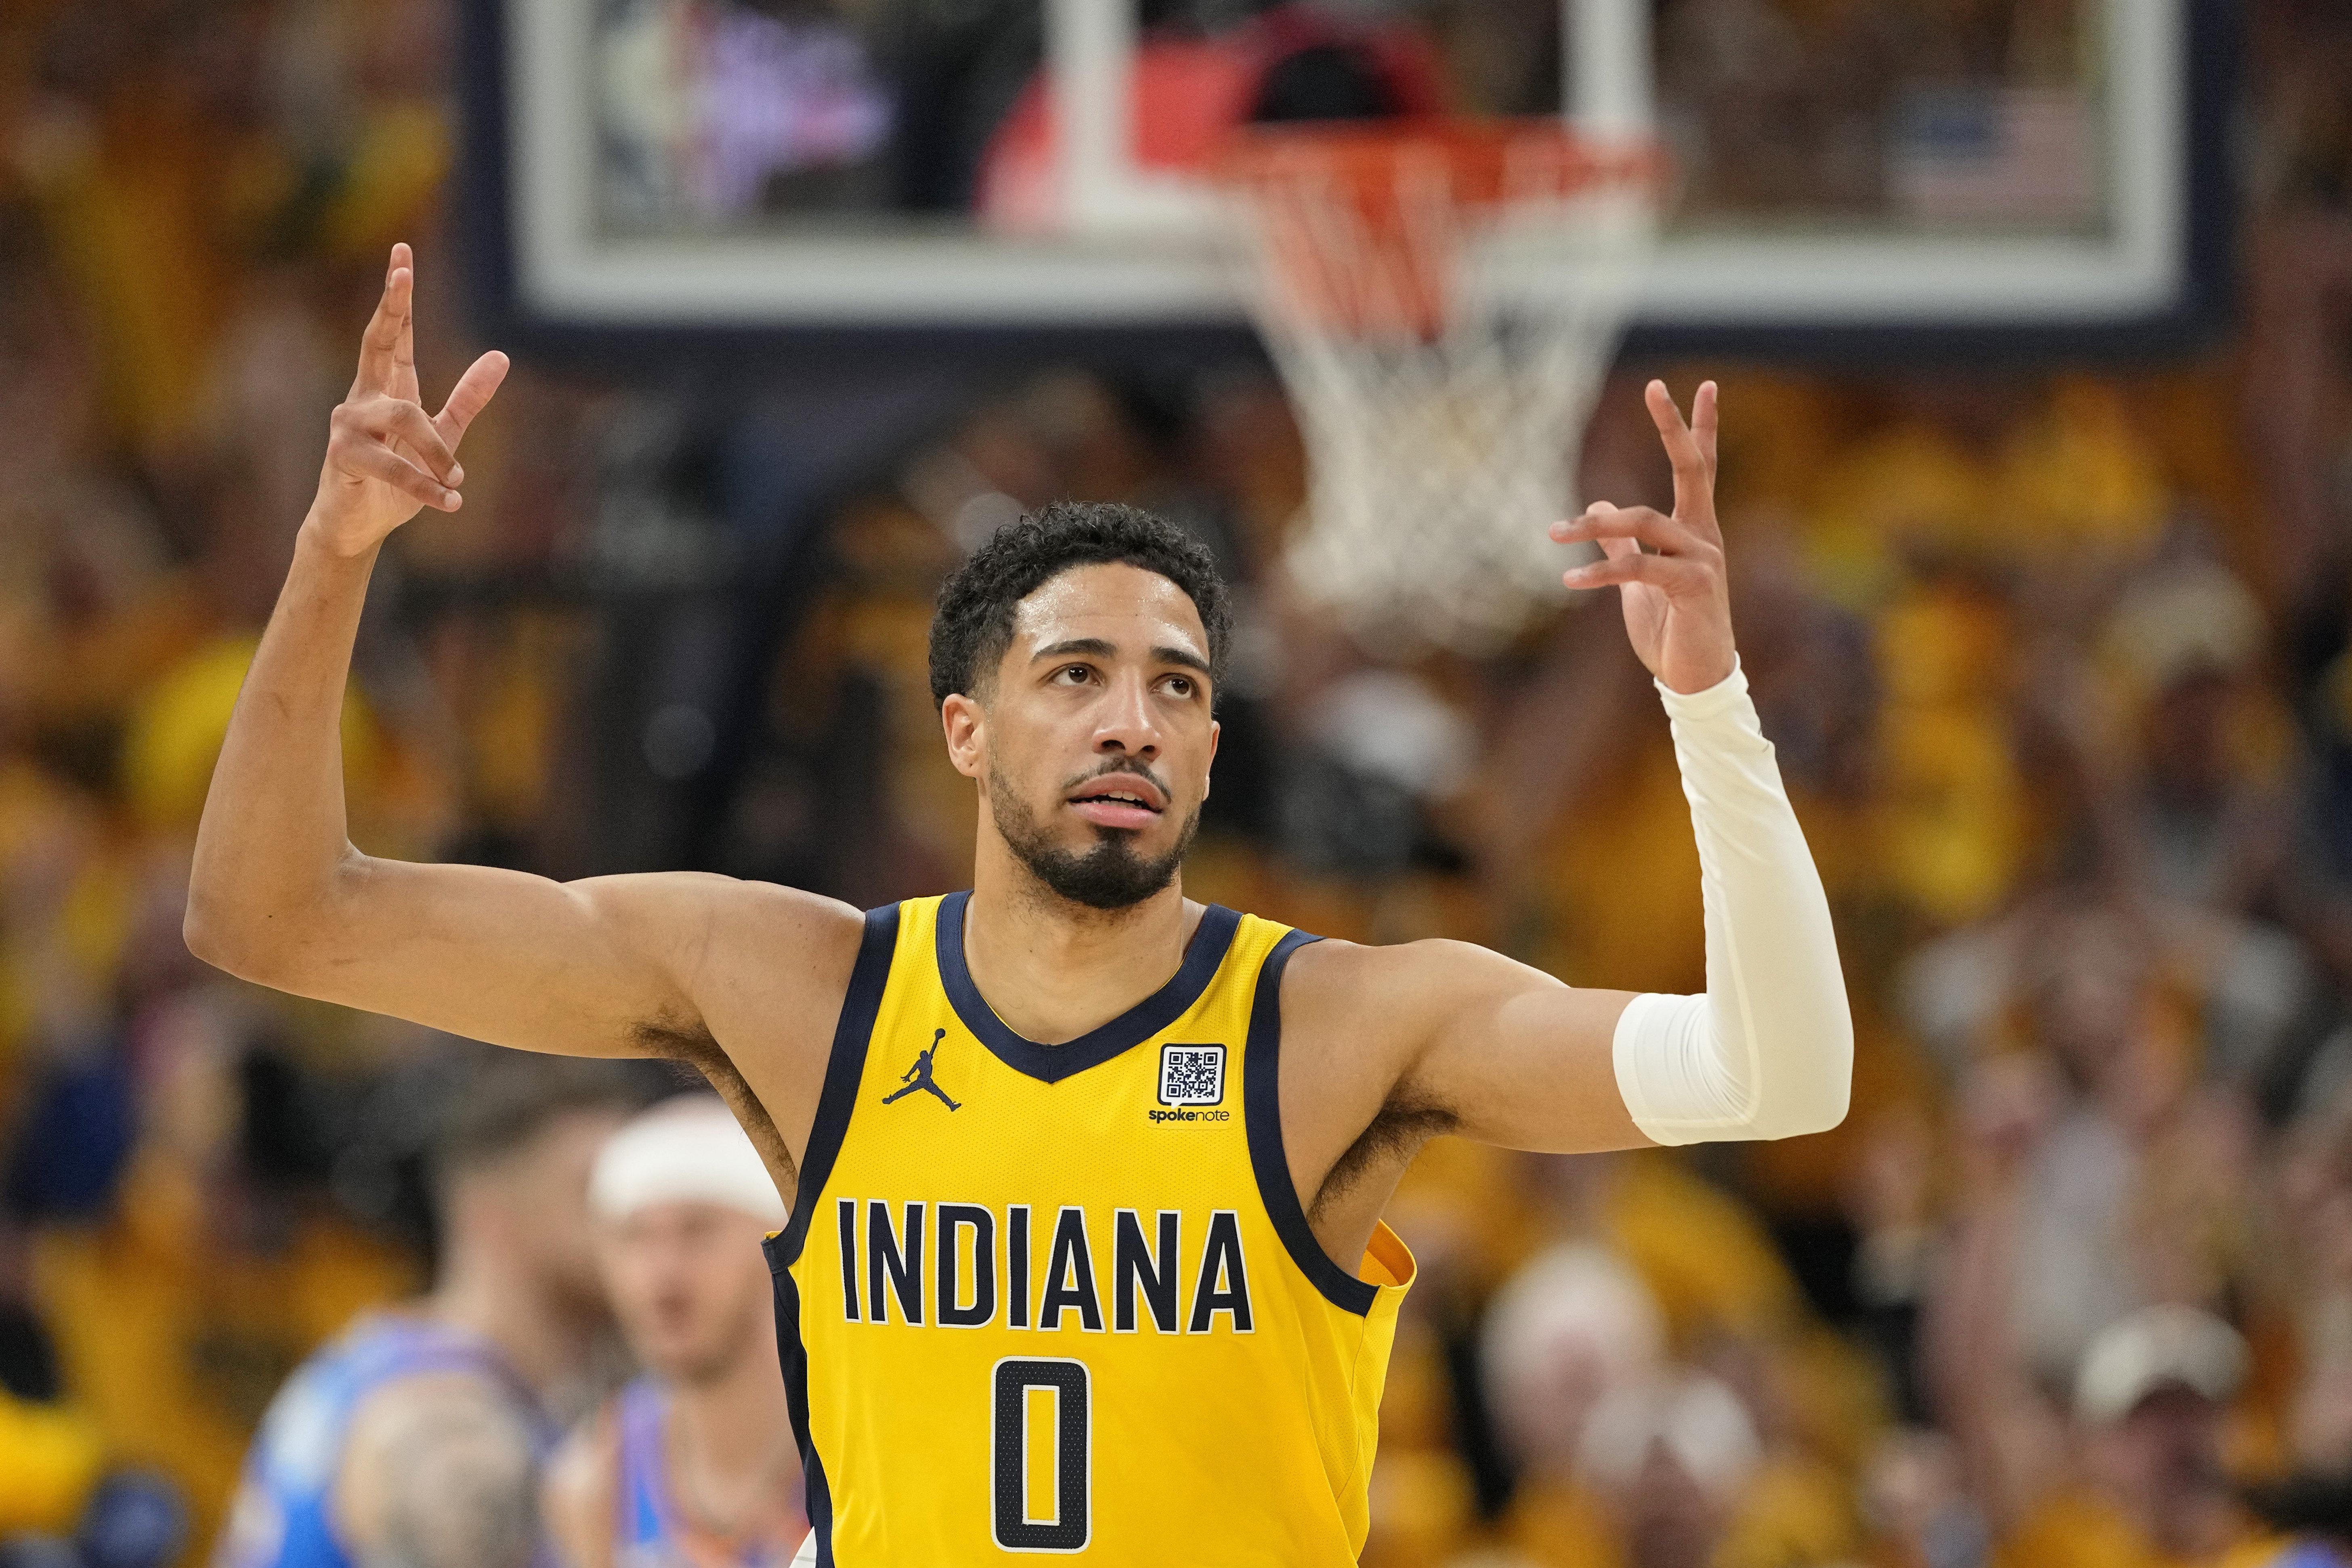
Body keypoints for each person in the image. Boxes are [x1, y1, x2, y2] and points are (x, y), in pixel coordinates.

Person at [184, 244, 1853, 1564]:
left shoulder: (1338, 1028)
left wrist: (1706, 702)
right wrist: (335, 553)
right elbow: (278, 917)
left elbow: (1775, 1073)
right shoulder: (801, 993)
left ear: (1209, 749)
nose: (1133, 720)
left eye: (1177, 686)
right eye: (1076, 674)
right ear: (965, 730)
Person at [212, 1055, 640, 1568]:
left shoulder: (402, 1362)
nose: (633, 1221)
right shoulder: (437, 1421)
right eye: (591, 1190)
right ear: (491, 1215)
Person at [543, 1097, 807, 1568]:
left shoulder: (860, 1449)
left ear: (779, 1242)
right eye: (634, 1237)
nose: (662, 1274)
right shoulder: (596, 1481)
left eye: (698, 1231)